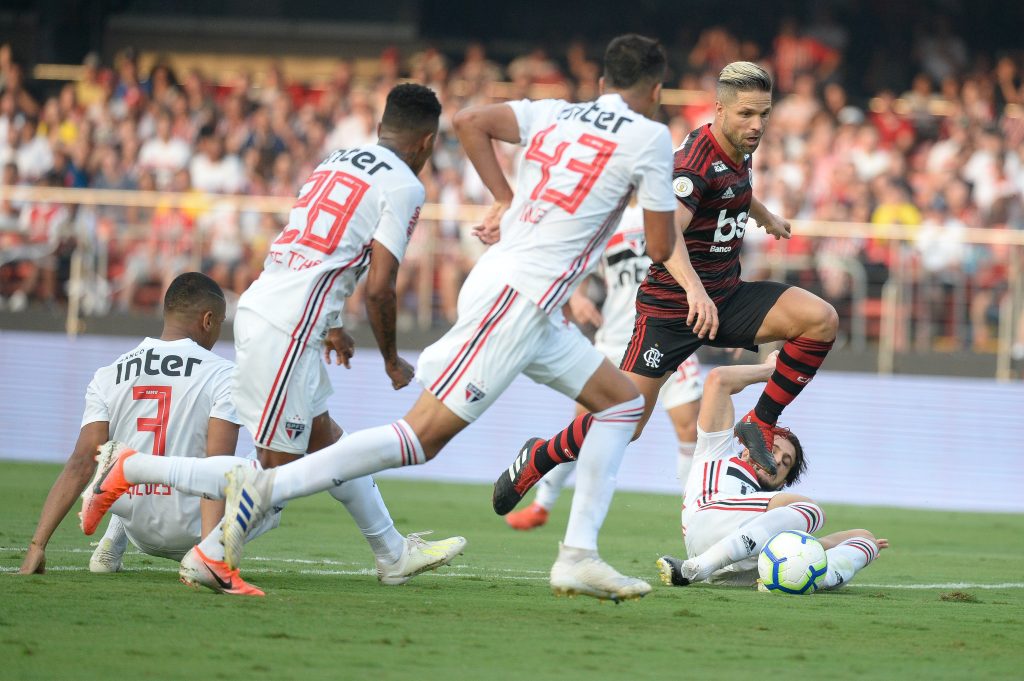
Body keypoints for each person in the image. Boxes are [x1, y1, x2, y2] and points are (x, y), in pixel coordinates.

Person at [202, 33, 679, 603]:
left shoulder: (554, 112)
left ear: (602, 85)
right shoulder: (651, 136)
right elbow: (658, 244)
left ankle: (578, 555)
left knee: (621, 402)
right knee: (419, 438)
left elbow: (472, 119)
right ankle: (262, 488)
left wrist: (507, 198)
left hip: (519, 291)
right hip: (519, 301)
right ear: (654, 91)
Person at [79, 84, 467, 593]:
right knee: (275, 471)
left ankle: (391, 553)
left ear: (381, 129)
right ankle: (153, 490)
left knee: (324, 437)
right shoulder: (406, 186)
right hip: (290, 323)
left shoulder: (337, 158)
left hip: (274, 305)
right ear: (427, 141)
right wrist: (393, 360)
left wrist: (328, 322)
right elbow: (380, 289)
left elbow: (311, 246)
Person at [493, 61, 839, 512]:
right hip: (672, 310)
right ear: (720, 109)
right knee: (626, 422)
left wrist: (764, 215)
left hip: (726, 297)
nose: (757, 125)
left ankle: (762, 420)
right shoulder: (692, 162)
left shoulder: (740, 148)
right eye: (746, 114)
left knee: (820, 320)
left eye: (764, 114)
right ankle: (539, 457)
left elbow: (733, 189)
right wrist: (694, 290)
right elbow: (666, 236)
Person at [19, 272, 269, 595]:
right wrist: (209, 550)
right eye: (220, 323)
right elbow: (215, 466)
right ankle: (207, 556)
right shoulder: (223, 375)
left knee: (116, 456)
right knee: (276, 461)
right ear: (208, 320)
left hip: (138, 524)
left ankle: (113, 538)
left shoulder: (108, 374)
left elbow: (81, 461)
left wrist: (38, 544)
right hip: (192, 530)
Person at [505, 201, 703, 531]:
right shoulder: (611, 219)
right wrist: (577, 299)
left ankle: (694, 517)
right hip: (615, 340)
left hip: (670, 335)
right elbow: (575, 268)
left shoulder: (677, 211)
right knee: (581, 425)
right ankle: (543, 504)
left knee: (689, 427)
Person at [655, 351, 886, 589]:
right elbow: (718, 380)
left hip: (736, 566)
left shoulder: (770, 523)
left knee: (865, 540)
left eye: (785, 463)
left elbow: (833, 539)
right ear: (748, 446)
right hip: (706, 522)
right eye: (772, 449)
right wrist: (771, 371)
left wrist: (862, 546)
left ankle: (801, 582)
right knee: (812, 512)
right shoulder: (717, 452)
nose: (776, 461)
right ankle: (699, 566)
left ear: (782, 483)